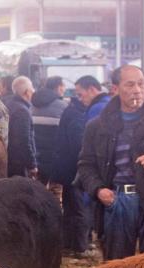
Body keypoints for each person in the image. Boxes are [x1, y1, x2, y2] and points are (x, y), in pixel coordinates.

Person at [76, 65, 144, 259]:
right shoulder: (98, 126)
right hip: (117, 200)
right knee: (117, 265)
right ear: (115, 89)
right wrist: (98, 190)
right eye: (130, 85)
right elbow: (85, 165)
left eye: (141, 84)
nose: (137, 90)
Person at [49, 75, 108, 255]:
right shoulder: (81, 112)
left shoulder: (78, 110)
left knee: (73, 207)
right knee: (79, 207)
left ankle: (72, 243)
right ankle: (80, 246)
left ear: (92, 89)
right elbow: (79, 143)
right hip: (76, 168)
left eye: (81, 94)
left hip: (68, 166)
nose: (80, 98)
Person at [31, 75, 66, 183]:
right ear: (59, 87)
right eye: (63, 86)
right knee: (55, 188)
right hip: (54, 157)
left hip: (35, 155)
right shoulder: (63, 107)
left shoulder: (31, 105)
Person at [6, 76, 38, 178]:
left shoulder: (8, 105)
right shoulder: (22, 111)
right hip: (19, 163)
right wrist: (32, 164)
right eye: (32, 89)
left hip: (8, 158)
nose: (33, 92)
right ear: (27, 92)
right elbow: (24, 140)